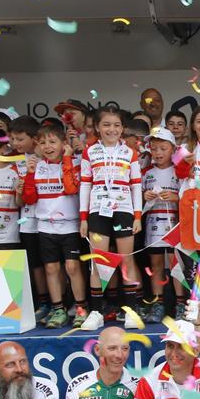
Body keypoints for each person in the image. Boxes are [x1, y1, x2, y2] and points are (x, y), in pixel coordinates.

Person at [79, 108, 143, 329]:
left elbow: (136, 186)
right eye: (106, 124)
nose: (111, 129)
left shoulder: (130, 153)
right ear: (97, 127)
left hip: (124, 209)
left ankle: (131, 312)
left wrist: (137, 215)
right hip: (98, 210)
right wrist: (83, 218)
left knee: (126, 260)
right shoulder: (89, 152)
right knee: (99, 262)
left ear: (123, 128)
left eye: (116, 125)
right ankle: (96, 312)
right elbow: (85, 185)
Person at [22, 123, 88, 328]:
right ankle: (58, 309)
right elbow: (29, 199)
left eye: (52, 142)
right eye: (43, 143)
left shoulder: (75, 163)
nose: (48, 147)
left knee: (72, 267)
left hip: (69, 225)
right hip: (45, 227)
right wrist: (30, 174)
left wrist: (67, 159)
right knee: (51, 268)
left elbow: (70, 189)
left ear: (64, 143)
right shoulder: (37, 166)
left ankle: (80, 308)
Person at [8, 115, 51, 321]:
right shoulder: (16, 162)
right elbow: (18, 201)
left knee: (54, 264)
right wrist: (19, 191)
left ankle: (61, 303)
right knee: (36, 265)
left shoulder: (50, 157)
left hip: (51, 221)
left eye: (19, 139)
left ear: (34, 139)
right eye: (12, 139)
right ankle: (43, 303)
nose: (14, 143)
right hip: (27, 222)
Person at [140, 127, 183, 321]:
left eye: (163, 149)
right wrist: (145, 196)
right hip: (153, 225)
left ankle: (180, 304)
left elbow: (188, 196)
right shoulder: (146, 172)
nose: (158, 153)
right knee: (156, 264)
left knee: (176, 264)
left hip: (174, 224)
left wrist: (175, 197)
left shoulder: (179, 171)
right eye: (154, 148)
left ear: (173, 149)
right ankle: (157, 304)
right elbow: (137, 196)